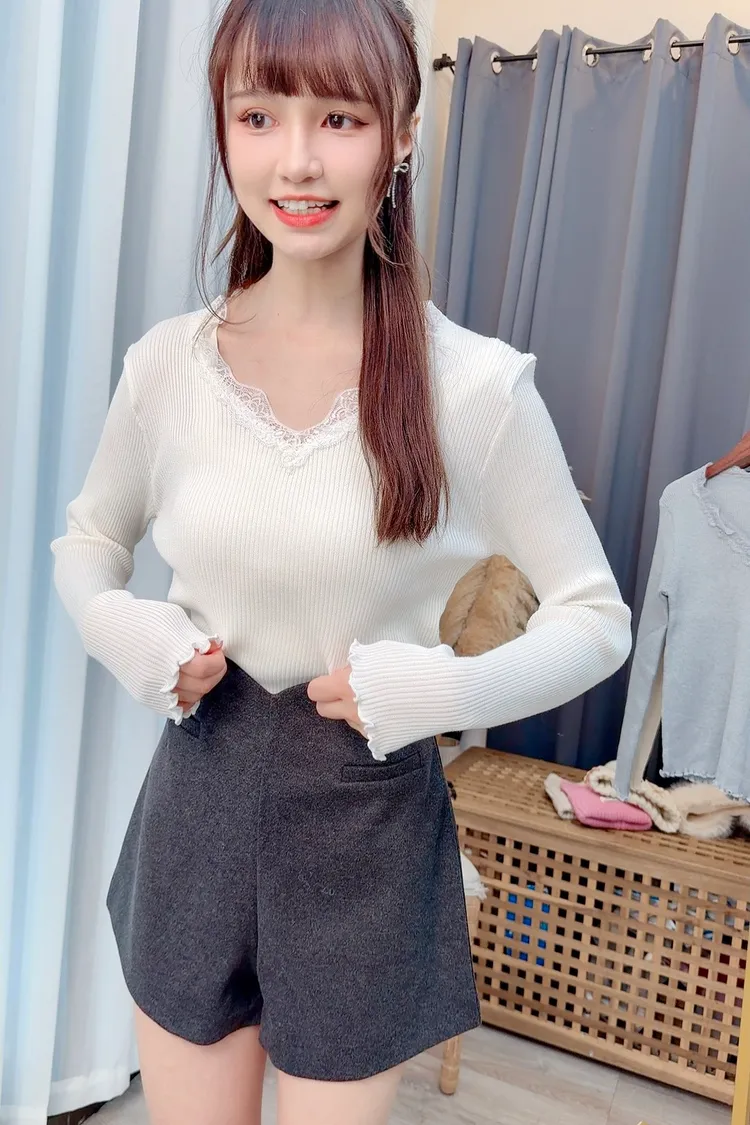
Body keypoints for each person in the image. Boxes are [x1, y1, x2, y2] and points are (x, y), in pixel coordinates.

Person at [51, 1, 632, 1122]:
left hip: (366, 827)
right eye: (258, 116)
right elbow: (88, 541)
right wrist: (126, 627)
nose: (297, 161)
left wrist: (444, 689)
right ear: (224, 129)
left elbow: (596, 616)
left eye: (340, 118)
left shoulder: (478, 390)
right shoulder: (167, 368)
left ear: (402, 133)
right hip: (197, 808)